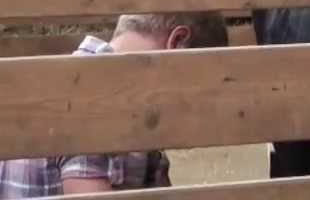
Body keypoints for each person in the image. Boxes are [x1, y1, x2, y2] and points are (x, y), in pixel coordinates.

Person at [0, 12, 228, 198]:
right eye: (198, 86)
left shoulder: (136, 108)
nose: (191, 108)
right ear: (177, 43)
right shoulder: (92, 95)